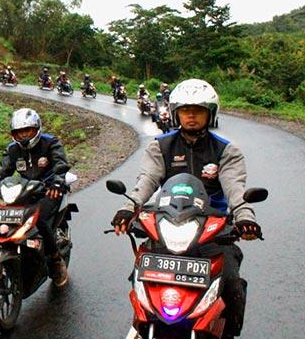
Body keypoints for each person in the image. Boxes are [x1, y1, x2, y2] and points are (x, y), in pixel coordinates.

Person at [110, 78, 261, 339]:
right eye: (185, 110)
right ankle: (143, 321)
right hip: (167, 224)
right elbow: (146, 180)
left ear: (210, 113)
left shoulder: (226, 151)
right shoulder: (160, 146)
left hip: (213, 231)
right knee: (140, 273)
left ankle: (225, 331)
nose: (191, 115)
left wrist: (245, 218)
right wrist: (128, 208)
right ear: (176, 113)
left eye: (198, 110)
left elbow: (235, 189)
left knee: (231, 283)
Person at [0, 108, 72, 287]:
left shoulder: (50, 142)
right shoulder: (12, 149)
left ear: (36, 129)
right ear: (14, 134)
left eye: (28, 130)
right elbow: (3, 171)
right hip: (24, 191)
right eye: (20, 132)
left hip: (49, 191)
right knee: (4, 217)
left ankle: (56, 260)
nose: (24, 135)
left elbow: (60, 165)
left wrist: (57, 182)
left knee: (39, 220)